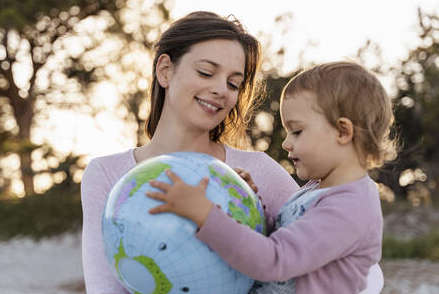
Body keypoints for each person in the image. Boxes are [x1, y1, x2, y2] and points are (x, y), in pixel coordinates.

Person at [80, 11, 300, 294]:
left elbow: (330, 256)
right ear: (165, 70)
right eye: (206, 72)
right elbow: (105, 289)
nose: (221, 89)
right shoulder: (105, 174)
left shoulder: (258, 171)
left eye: (233, 83)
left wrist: (260, 218)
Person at [147, 61, 396, 293]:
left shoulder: (350, 207)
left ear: (343, 132)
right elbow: (281, 237)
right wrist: (249, 205)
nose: (287, 143)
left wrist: (204, 214)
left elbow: (275, 260)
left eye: (297, 131)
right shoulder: (317, 190)